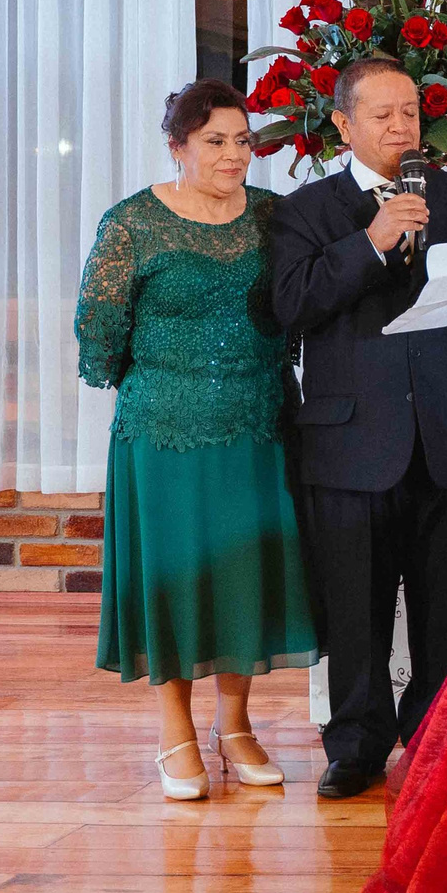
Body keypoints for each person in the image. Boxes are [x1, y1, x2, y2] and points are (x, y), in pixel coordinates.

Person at [269, 57, 447, 800]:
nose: (401, 127)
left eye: (410, 113)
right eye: (383, 115)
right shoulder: (307, 211)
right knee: (354, 607)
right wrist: (371, 239)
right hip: (351, 440)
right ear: (343, 124)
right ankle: (356, 746)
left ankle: (439, 740)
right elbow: (291, 306)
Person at [76, 79, 320, 801]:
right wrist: (165, 381)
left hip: (260, 423)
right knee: (177, 577)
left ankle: (236, 724)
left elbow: (305, 304)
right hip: (165, 430)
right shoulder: (132, 223)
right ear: (178, 145)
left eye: (243, 140)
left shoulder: (276, 217)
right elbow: (98, 332)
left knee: (244, 574)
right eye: (215, 140)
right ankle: (175, 731)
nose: (233, 154)